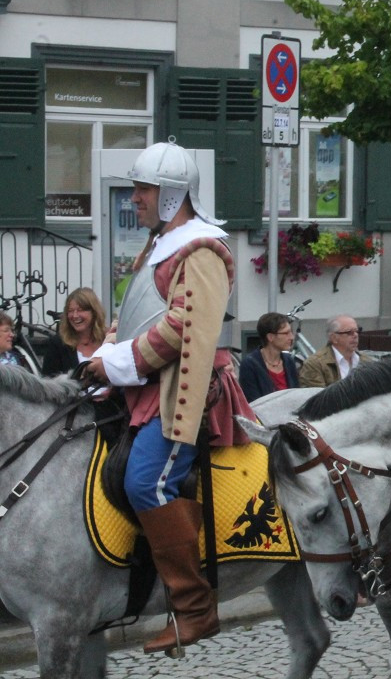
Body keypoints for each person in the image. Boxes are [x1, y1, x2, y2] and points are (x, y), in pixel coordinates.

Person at [85, 140, 256, 654]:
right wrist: (105, 353)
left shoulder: (202, 248)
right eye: (137, 188)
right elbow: (144, 315)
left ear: (170, 194)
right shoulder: (162, 243)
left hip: (183, 392)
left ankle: (194, 607)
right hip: (145, 385)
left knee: (145, 483)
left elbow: (183, 330)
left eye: (143, 189)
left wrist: (117, 360)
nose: (134, 198)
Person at [42, 287, 107, 376]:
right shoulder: (58, 344)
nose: (75, 316)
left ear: (94, 312)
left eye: (80, 310)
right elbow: (48, 382)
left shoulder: (108, 340)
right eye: (70, 311)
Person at [238, 312, 300, 402]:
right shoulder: (249, 364)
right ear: (270, 337)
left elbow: (296, 394)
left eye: (291, 332)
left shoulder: (289, 360)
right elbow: (253, 402)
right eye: (286, 333)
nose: (291, 337)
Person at [299, 314, 370, 388]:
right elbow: (316, 397)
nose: (355, 335)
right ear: (334, 338)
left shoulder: (367, 362)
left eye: (357, 331)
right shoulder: (315, 364)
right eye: (349, 332)